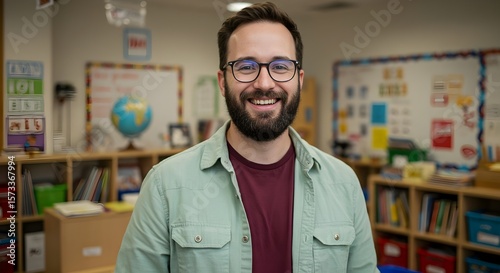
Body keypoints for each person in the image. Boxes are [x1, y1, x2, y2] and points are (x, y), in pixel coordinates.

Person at [115, 2, 379, 272]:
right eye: (245, 66)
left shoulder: (344, 184)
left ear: (299, 79)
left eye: (280, 66)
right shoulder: (165, 186)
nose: (264, 83)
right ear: (222, 81)